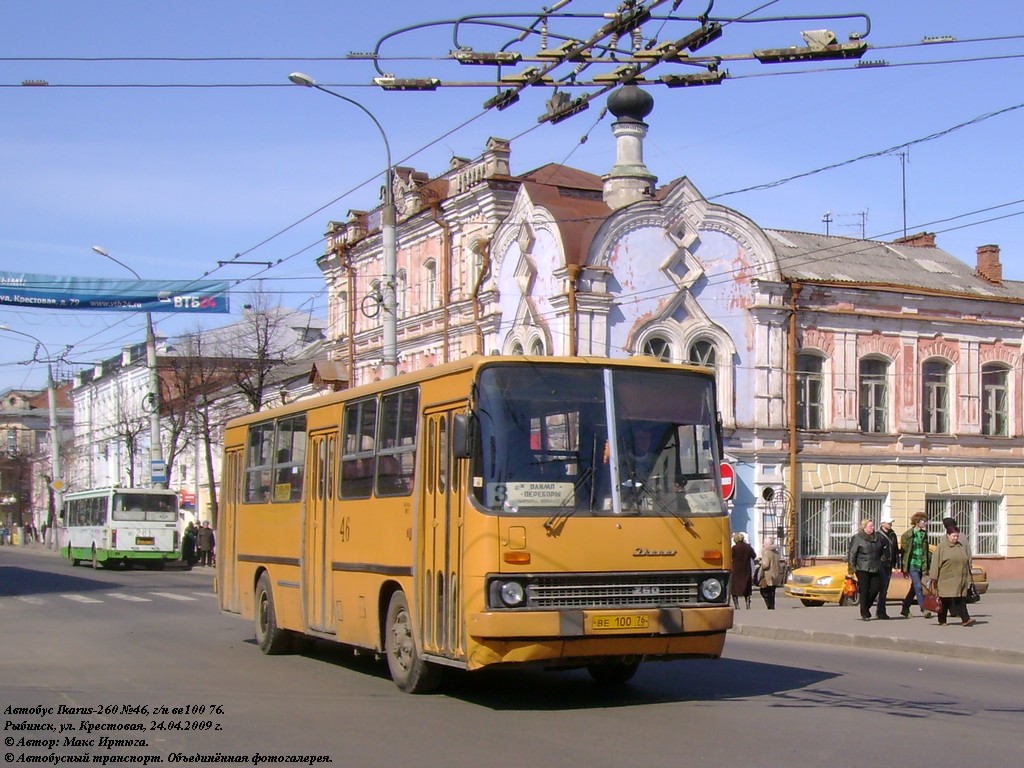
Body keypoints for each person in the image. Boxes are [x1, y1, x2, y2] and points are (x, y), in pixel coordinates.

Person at [927, 521, 976, 627]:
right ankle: (944, 620)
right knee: (945, 600)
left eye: (957, 536)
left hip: (960, 578)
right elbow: (935, 562)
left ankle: (965, 619)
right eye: (953, 536)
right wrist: (933, 578)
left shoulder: (960, 546)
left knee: (960, 599)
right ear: (948, 535)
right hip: (946, 579)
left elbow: (966, 559)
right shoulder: (942, 547)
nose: (955, 538)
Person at [847, 518, 884, 621]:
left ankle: (866, 606)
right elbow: (852, 553)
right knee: (864, 589)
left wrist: (883, 557)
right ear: (864, 527)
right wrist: (851, 567)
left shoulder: (877, 537)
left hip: (875, 566)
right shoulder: (858, 538)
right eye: (870, 526)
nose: (873, 528)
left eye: (873, 526)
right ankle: (864, 613)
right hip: (862, 567)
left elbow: (882, 549)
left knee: (875, 588)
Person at [900, 511, 933, 618]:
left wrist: (927, 566)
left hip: (920, 564)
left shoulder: (923, 534)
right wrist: (904, 568)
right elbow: (904, 550)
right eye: (924, 521)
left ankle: (905, 608)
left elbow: (926, 551)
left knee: (914, 588)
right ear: (917, 522)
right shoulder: (908, 534)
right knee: (918, 587)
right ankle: (924, 609)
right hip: (912, 564)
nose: (925, 523)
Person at [876, 515, 899, 620]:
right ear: (882, 523)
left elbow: (895, 550)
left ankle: (881, 611)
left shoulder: (893, 534)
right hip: (881, 565)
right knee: (882, 588)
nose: (890, 525)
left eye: (891, 523)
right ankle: (880, 611)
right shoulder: (878, 535)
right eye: (888, 523)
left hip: (889, 564)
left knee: (885, 589)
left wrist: (897, 564)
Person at [730, 533, 756, 609]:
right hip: (746, 570)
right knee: (747, 588)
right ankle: (748, 605)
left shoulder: (734, 548)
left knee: (734, 589)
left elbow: (730, 557)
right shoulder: (748, 547)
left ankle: (737, 605)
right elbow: (754, 556)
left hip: (736, 570)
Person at [758, 537, 782, 609]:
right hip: (775, 574)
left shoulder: (766, 552)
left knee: (764, 591)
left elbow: (765, 565)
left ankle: (769, 605)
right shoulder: (776, 552)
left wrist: (760, 562)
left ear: (767, 544)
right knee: (772, 591)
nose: (763, 544)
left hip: (767, 575)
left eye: (764, 543)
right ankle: (772, 605)